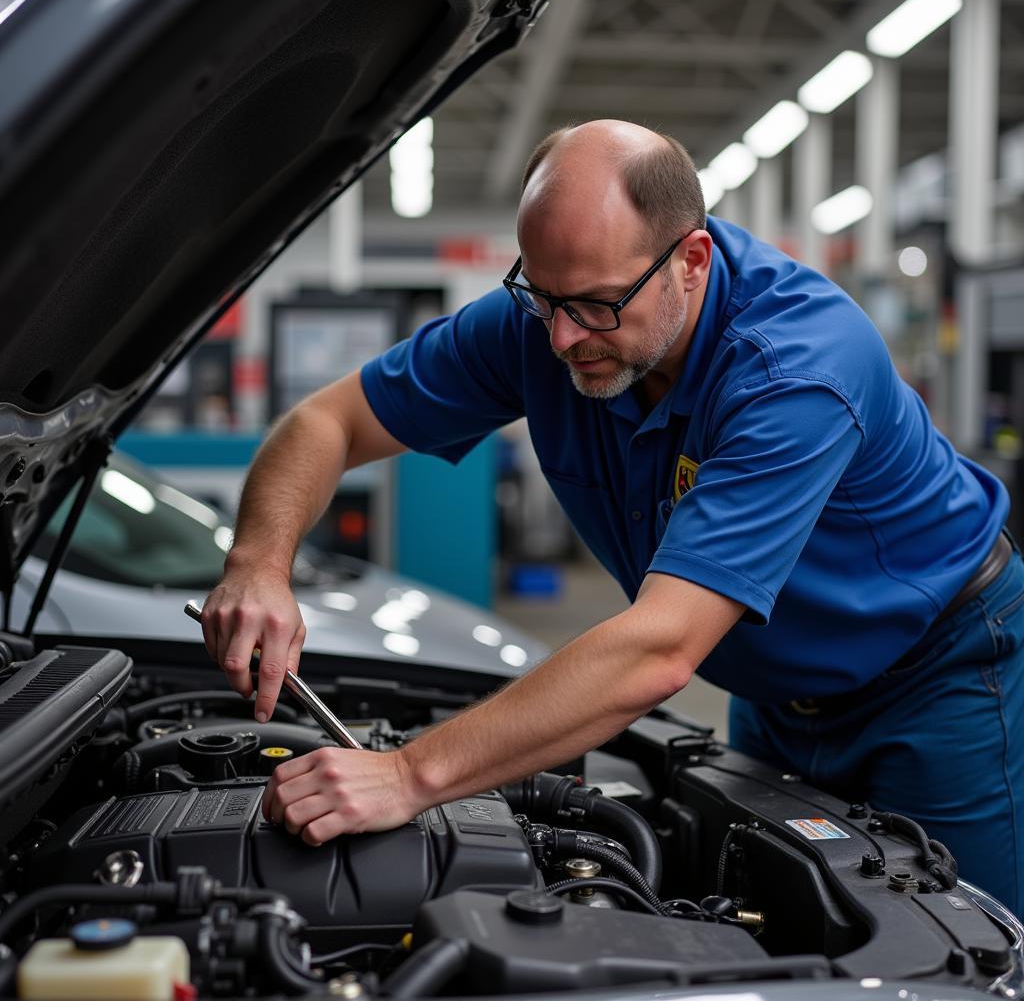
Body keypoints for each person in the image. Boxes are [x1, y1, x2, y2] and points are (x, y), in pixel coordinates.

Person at [201, 119, 1024, 914]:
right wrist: (259, 564)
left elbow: (659, 648)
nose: (562, 339)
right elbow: (326, 422)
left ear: (692, 260)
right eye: (542, 296)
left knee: (962, 943)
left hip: (937, 677)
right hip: (776, 689)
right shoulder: (549, 318)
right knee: (772, 919)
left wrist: (408, 775)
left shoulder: (796, 370)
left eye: (596, 305)